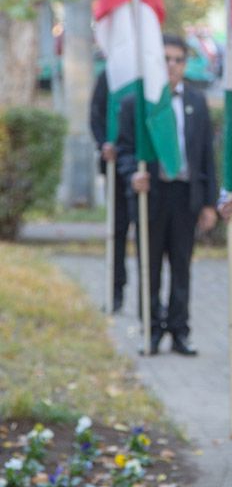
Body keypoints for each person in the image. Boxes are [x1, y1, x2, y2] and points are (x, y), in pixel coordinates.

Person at [117, 34, 218, 355]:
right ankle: (151, 329)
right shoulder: (137, 103)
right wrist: (133, 173)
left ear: (185, 64)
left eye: (178, 59)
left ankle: (179, 330)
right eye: (165, 59)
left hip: (185, 194)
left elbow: (205, 155)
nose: (171, 65)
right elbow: (124, 150)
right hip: (152, 194)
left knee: (181, 265)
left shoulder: (196, 101)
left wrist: (209, 202)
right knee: (150, 266)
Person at [89, 68, 131, 312]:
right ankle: (115, 290)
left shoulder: (153, 69)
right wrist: (104, 142)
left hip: (146, 168)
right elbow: (96, 113)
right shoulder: (111, 72)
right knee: (117, 230)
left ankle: (150, 301)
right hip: (116, 165)